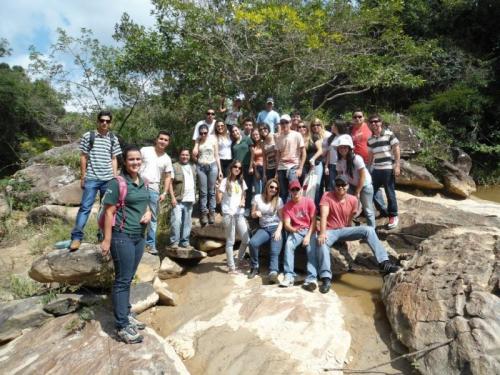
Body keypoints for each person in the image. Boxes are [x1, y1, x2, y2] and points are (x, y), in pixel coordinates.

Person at [306, 175, 400, 294]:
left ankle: (384, 263)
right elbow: (323, 216)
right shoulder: (327, 196)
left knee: (369, 230)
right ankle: (326, 278)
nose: (340, 187)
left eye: (343, 185)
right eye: (338, 184)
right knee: (322, 243)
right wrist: (322, 233)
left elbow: (350, 217)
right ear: (334, 186)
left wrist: (348, 231)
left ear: (348, 186)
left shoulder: (353, 199)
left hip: (344, 229)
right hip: (330, 231)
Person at [100, 145, 151, 344]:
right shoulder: (117, 182)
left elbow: (145, 204)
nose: (135, 162)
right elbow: (109, 212)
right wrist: (106, 240)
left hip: (139, 236)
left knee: (128, 277)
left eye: (138, 159)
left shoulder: (143, 182)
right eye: (131, 160)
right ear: (124, 161)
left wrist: (148, 213)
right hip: (122, 236)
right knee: (122, 280)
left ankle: (126, 313)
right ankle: (121, 326)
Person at [69, 110, 122, 251]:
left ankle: (103, 236)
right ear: (98, 121)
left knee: (107, 209)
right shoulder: (89, 136)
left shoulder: (113, 138)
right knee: (85, 208)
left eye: (107, 121)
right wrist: (83, 175)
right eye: (102, 120)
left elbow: (114, 158)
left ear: (110, 123)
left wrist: (115, 177)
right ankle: (76, 237)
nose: (105, 123)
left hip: (108, 179)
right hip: (92, 178)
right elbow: (83, 156)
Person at [139, 131, 172, 255]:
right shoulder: (145, 150)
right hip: (139, 186)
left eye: (166, 140)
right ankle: (137, 242)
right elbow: (135, 164)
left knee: (153, 218)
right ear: (156, 139)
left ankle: (150, 244)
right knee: (137, 214)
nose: (163, 141)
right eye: (161, 139)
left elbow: (168, 176)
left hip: (154, 188)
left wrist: (164, 192)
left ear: (168, 143)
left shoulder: (167, 159)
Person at [280, 180, 316, 288]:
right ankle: (289, 276)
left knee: (311, 249)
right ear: (290, 191)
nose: (295, 191)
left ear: (301, 190)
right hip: (297, 231)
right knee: (289, 245)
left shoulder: (309, 201)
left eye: (297, 189)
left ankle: (312, 278)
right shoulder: (287, 206)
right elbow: (286, 224)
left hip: (310, 230)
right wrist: (294, 230)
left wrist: (308, 236)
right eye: (293, 190)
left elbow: (314, 221)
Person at [367, 114, 401, 229]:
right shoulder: (370, 140)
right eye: (371, 122)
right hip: (376, 169)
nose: (374, 124)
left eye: (376, 121)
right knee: (370, 192)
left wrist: (397, 165)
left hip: (387, 168)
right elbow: (371, 155)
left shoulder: (389, 134)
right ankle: (368, 214)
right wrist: (368, 169)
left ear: (380, 122)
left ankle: (393, 215)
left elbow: (396, 149)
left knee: (390, 193)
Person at [216, 160, 250, 274]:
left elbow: (244, 194)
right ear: (231, 168)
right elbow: (218, 200)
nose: (237, 169)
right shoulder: (225, 181)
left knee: (246, 239)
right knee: (230, 241)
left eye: (240, 168)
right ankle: (231, 267)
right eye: (235, 167)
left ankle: (238, 260)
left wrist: (242, 200)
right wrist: (217, 189)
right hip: (229, 215)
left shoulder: (241, 181)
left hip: (239, 214)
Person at [336, 134, 376, 227]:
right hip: (351, 184)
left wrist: (357, 192)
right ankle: (349, 226)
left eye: (345, 147)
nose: (343, 149)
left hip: (364, 185)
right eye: (340, 147)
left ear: (350, 148)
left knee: (368, 209)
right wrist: (340, 188)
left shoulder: (357, 159)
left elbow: (363, 176)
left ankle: (372, 230)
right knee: (349, 207)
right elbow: (339, 176)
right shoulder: (339, 161)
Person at [248, 178, 284, 283]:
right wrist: (255, 214)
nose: (273, 189)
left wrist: (278, 231)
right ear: (267, 187)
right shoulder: (257, 198)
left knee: (274, 250)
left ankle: (273, 272)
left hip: (275, 227)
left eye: (276, 188)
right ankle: (255, 267)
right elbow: (252, 214)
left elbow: (282, 218)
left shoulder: (279, 200)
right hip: (264, 228)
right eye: (271, 187)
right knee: (253, 243)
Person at [193, 124, 223, 226]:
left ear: (208, 132)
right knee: (203, 191)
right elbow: (194, 154)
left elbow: (217, 155)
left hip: (212, 166)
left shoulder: (213, 140)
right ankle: (204, 213)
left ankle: (212, 212)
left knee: (212, 191)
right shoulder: (198, 140)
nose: (203, 134)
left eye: (205, 132)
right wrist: (197, 143)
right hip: (201, 167)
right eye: (201, 133)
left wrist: (220, 170)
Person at [169, 148, 196, 249]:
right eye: (183, 155)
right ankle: (174, 242)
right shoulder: (174, 166)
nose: (185, 157)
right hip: (178, 199)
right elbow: (169, 183)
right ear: (179, 156)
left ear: (189, 156)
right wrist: (172, 197)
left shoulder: (193, 167)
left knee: (187, 222)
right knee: (176, 221)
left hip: (190, 199)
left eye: (187, 155)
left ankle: (185, 242)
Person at [275, 114, 306, 202]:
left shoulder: (297, 135)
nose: (284, 124)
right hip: (281, 167)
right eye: (282, 123)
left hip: (293, 167)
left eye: (286, 122)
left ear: (290, 123)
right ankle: (285, 212)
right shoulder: (278, 137)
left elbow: (303, 152)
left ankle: (296, 212)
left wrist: (300, 168)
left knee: (295, 191)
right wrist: (276, 171)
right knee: (283, 192)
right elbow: (277, 155)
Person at [230, 127, 253, 215]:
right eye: (233, 131)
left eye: (236, 130)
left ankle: (247, 207)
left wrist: (251, 166)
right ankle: (239, 205)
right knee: (239, 187)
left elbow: (252, 153)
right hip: (237, 168)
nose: (235, 132)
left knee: (248, 187)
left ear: (239, 130)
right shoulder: (233, 144)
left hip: (247, 167)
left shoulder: (247, 139)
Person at [324, 120, 347, 191]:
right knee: (332, 186)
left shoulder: (345, 137)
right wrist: (326, 166)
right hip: (332, 165)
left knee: (342, 185)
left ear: (338, 127)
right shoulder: (332, 138)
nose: (331, 126)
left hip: (342, 165)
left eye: (333, 125)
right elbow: (329, 152)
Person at [249, 128, 264, 195]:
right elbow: (252, 158)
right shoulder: (252, 146)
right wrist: (255, 170)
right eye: (253, 135)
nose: (255, 136)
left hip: (265, 167)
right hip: (257, 167)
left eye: (257, 134)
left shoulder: (264, 143)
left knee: (264, 188)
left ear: (260, 134)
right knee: (257, 190)